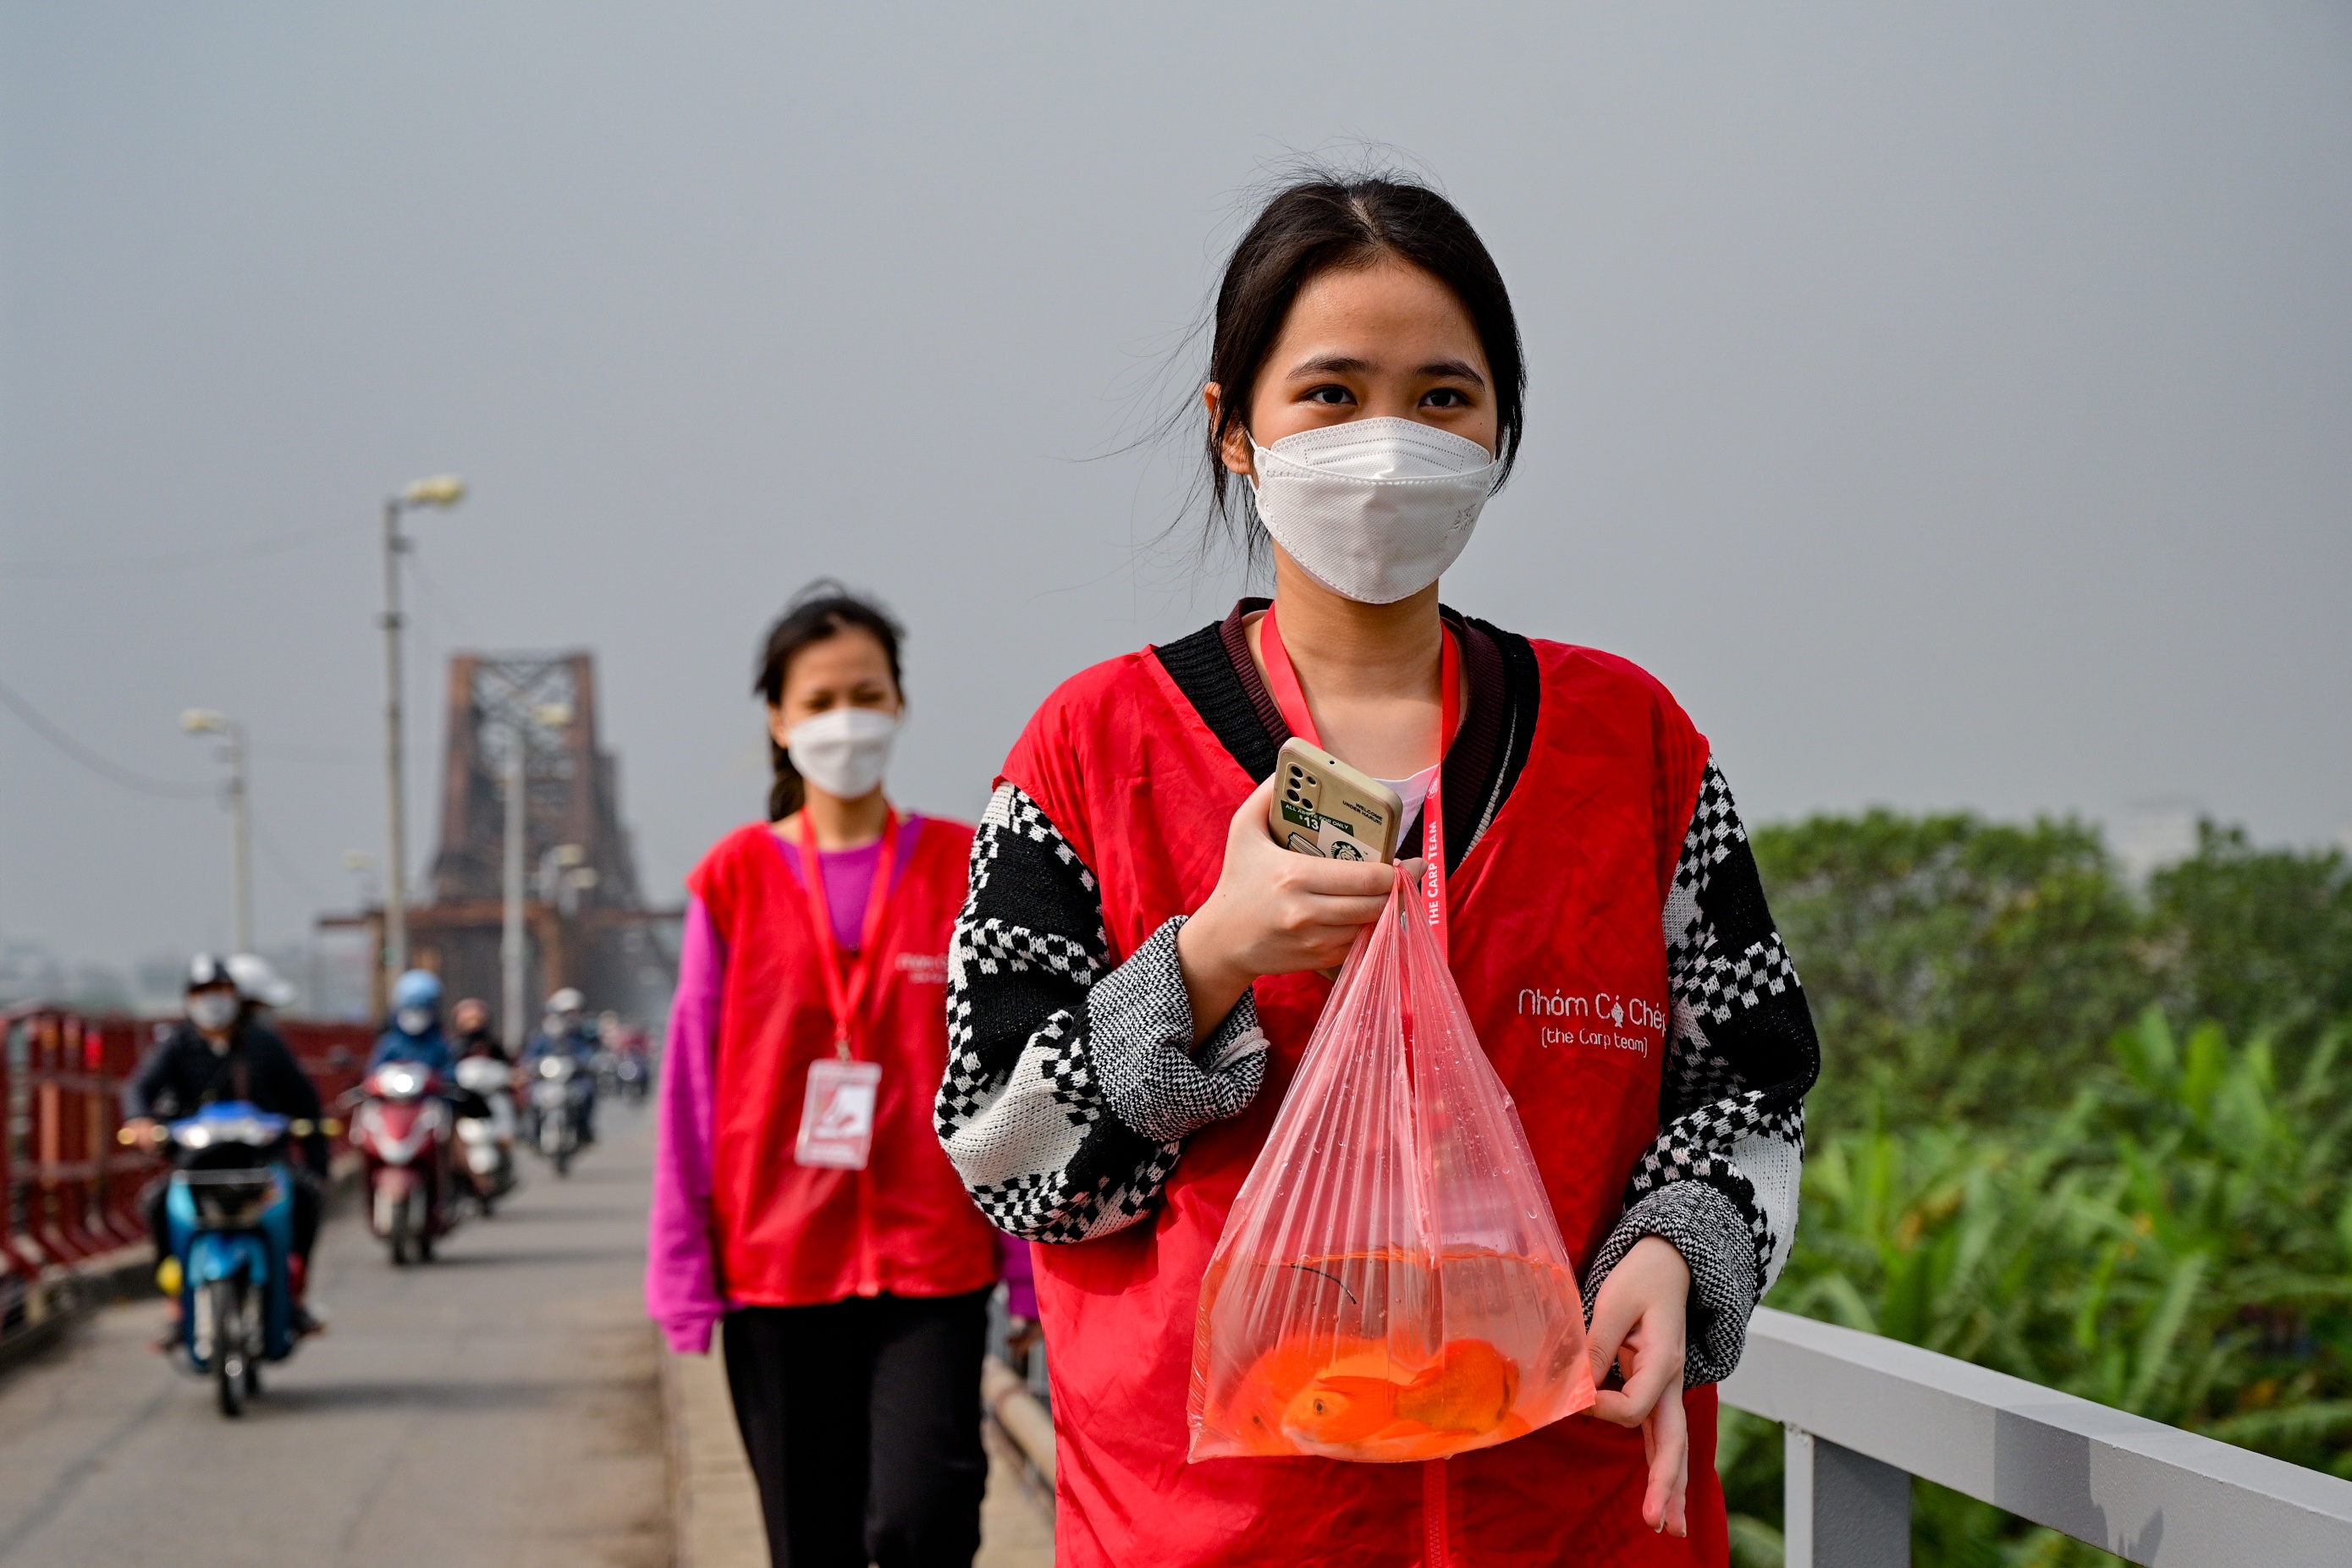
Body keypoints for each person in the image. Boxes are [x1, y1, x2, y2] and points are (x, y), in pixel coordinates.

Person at [934, 173, 1820, 1566]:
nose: (1386, 443)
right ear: (1233, 428)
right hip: (1217, 1529)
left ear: (1499, 431)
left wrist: (1675, 1246)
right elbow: (1004, 1160)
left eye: (1440, 398)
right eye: (1331, 394)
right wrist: (1206, 959)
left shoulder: (1632, 747)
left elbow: (1750, 1086)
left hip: (1572, 1516)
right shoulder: (1090, 752)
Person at [649, 584, 1000, 1568]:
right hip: (775, 1264)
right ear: (778, 718)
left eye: (866, 693)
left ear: (899, 703)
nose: (845, 719)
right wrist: (682, 1272)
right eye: (819, 700)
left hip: (935, 1256)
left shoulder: (963, 864)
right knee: (810, 1543)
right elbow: (691, 1089)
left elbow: (1007, 1071)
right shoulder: (732, 878)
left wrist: (1027, 1261)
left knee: (923, 1519)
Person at [124, 954, 330, 1336]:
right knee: (156, 1204)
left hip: (262, 1161)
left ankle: (295, 1293)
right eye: (202, 992)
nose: (212, 1001)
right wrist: (140, 1121)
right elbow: (139, 1087)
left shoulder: (263, 1043)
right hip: (197, 1163)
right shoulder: (178, 1044)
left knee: (306, 1196)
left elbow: (305, 1101)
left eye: (220, 991)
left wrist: (316, 1157)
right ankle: (175, 1300)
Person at [524, 988, 600, 1143]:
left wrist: (585, 1064)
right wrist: (531, 1065)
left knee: (587, 1092)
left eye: (575, 1012)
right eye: (567, 1012)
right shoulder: (544, 1036)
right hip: (547, 1080)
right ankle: (534, 1133)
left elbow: (588, 1054)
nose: (571, 1017)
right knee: (532, 1096)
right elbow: (531, 1055)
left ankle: (584, 1130)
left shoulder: (580, 1036)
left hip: (573, 1080)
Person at [371, 969, 457, 1078]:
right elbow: (373, 1073)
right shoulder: (390, 1043)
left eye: (421, 1011)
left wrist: (434, 1079)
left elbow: (449, 1073)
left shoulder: (439, 1044)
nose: (415, 1017)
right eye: (410, 1010)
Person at [450, 996, 506, 1062]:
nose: (473, 1026)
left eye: (477, 1020)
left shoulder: (494, 1049)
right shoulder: (455, 1050)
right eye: (467, 1021)